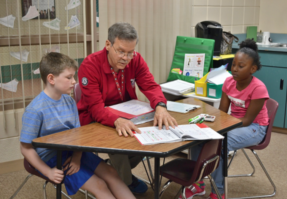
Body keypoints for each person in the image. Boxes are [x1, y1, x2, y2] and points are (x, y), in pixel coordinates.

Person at [77, 22, 178, 194]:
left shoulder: (136, 60)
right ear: (108, 45)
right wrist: (116, 120)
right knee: (119, 146)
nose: (126, 57)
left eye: (130, 52)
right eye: (121, 51)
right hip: (95, 120)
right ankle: (123, 183)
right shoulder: (90, 65)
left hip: (128, 115)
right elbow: (95, 108)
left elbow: (151, 86)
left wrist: (161, 106)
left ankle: (112, 172)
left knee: (150, 137)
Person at [20, 52, 136, 199]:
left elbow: (77, 135)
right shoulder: (35, 109)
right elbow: (25, 148)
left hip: (73, 150)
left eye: (73, 77)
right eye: (69, 77)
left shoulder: (69, 102)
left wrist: (76, 157)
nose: (74, 81)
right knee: (100, 185)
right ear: (51, 79)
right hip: (52, 158)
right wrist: (48, 171)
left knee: (112, 173)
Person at [183, 39, 270, 199]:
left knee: (219, 144)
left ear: (253, 69)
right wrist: (207, 123)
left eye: (240, 66)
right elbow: (222, 112)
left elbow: (248, 120)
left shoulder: (258, 88)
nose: (235, 69)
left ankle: (219, 191)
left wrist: (221, 129)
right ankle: (198, 183)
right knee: (198, 138)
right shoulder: (229, 82)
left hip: (255, 128)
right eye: (234, 64)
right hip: (233, 123)